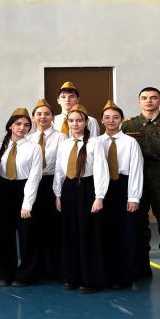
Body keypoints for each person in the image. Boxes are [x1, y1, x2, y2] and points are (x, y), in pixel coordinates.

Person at [121, 87, 160, 285]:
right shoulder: (128, 125)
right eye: (144, 98)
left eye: (153, 98)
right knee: (138, 223)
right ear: (139, 102)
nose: (149, 101)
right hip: (136, 177)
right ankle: (142, 266)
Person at [53, 104, 109, 293]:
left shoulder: (95, 143)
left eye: (79, 120)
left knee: (88, 234)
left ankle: (90, 280)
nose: (75, 124)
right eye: (71, 121)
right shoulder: (64, 144)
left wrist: (99, 197)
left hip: (88, 188)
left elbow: (101, 169)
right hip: (69, 188)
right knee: (69, 232)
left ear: (86, 123)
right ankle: (71, 277)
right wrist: (58, 194)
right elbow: (59, 170)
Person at [0, 108, 43, 287]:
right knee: (2, 234)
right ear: (11, 125)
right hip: (4, 190)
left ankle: (26, 274)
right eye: (18, 124)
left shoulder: (34, 148)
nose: (22, 128)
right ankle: (4, 273)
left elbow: (35, 177)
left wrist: (27, 204)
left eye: (26, 125)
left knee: (28, 235)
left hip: (24, 189)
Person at [97, 100, 144, 289]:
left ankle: (123, 276)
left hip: (123, 187)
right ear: (101, 120)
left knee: (125, 233)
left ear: (122, 120)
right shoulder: (96, 142)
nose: (111, 121)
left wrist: (133, 197)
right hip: (102, 188)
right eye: (107, 117)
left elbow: (136, 170)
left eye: (115, 117)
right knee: (104, 232)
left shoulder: (130, 142)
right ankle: (104, 274)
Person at [26, 98, 67, 279]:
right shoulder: (28, 138)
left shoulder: (61, 138)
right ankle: (34, 267)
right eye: (39, 114)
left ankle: (53, 268)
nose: (43, 117)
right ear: (33, 117)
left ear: (53, 117)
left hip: (53, 182)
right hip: (33, 183)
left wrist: (58, 191)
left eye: (47, 114)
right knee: (33, 225)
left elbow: (61, 166)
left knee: (53, 226)